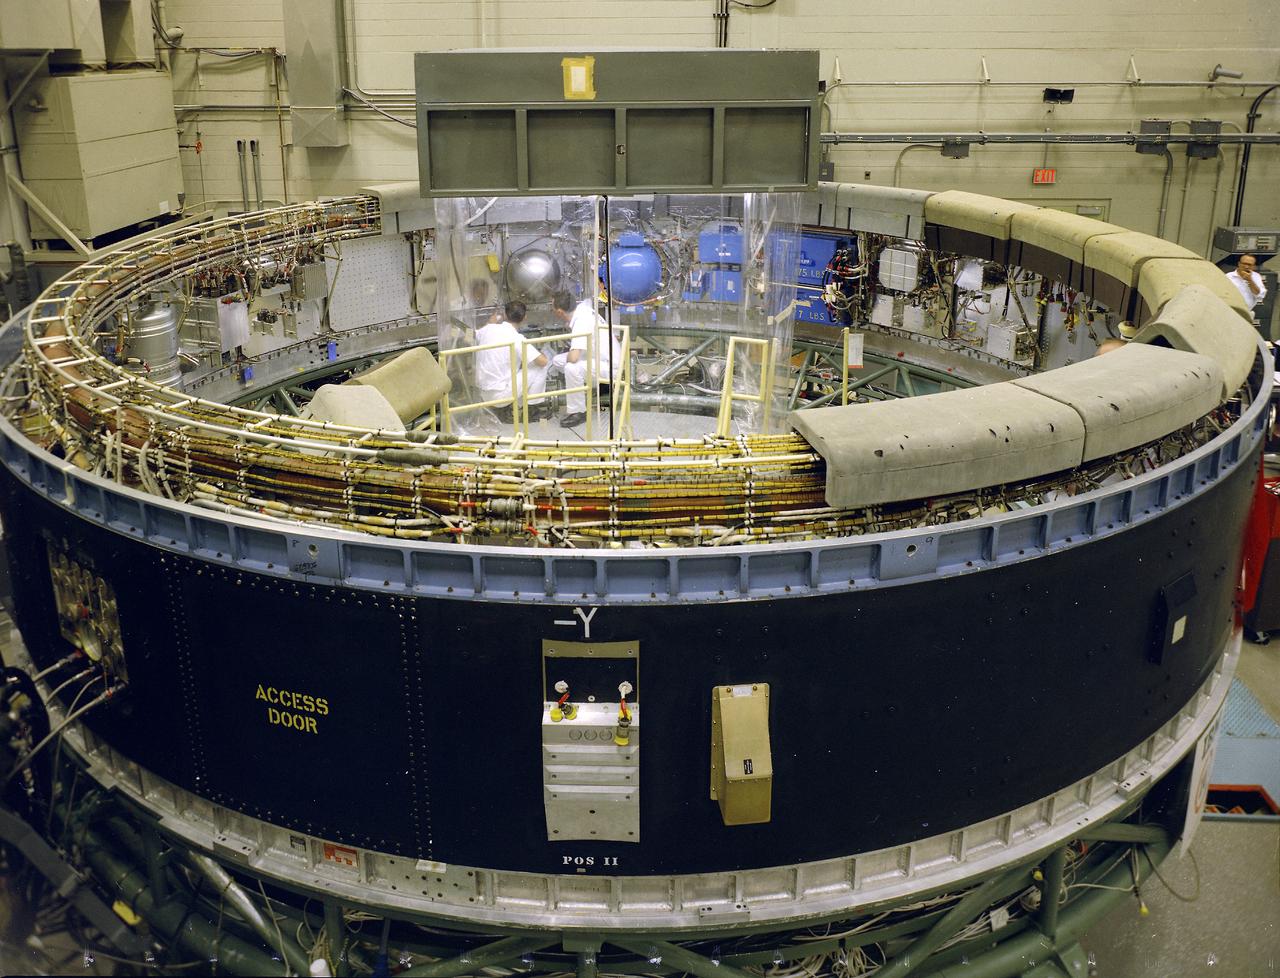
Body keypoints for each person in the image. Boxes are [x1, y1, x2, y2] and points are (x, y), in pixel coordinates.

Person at [548, 291, 623, 429]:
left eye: (552, 308)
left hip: (609, 366)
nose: (552, 310)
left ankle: (578, 411)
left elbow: (574, 357)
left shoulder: (581, 321)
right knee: (557, 360)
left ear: (559, 312)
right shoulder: (583, 310)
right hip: (599, 358)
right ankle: (583, 390)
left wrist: (571, 355)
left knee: (571, 368)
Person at [474, 301, 548, 421]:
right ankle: (531, 411)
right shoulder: (517, 338)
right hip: (502, 396)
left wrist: (489, 322)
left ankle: (510, 409)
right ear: (524, 318)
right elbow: (542, 362)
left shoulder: (488, 329)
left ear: (504, 315)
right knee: (540, 367)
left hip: (483, 394)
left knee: (515, 366)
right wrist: (542, 353)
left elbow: (473, 336)